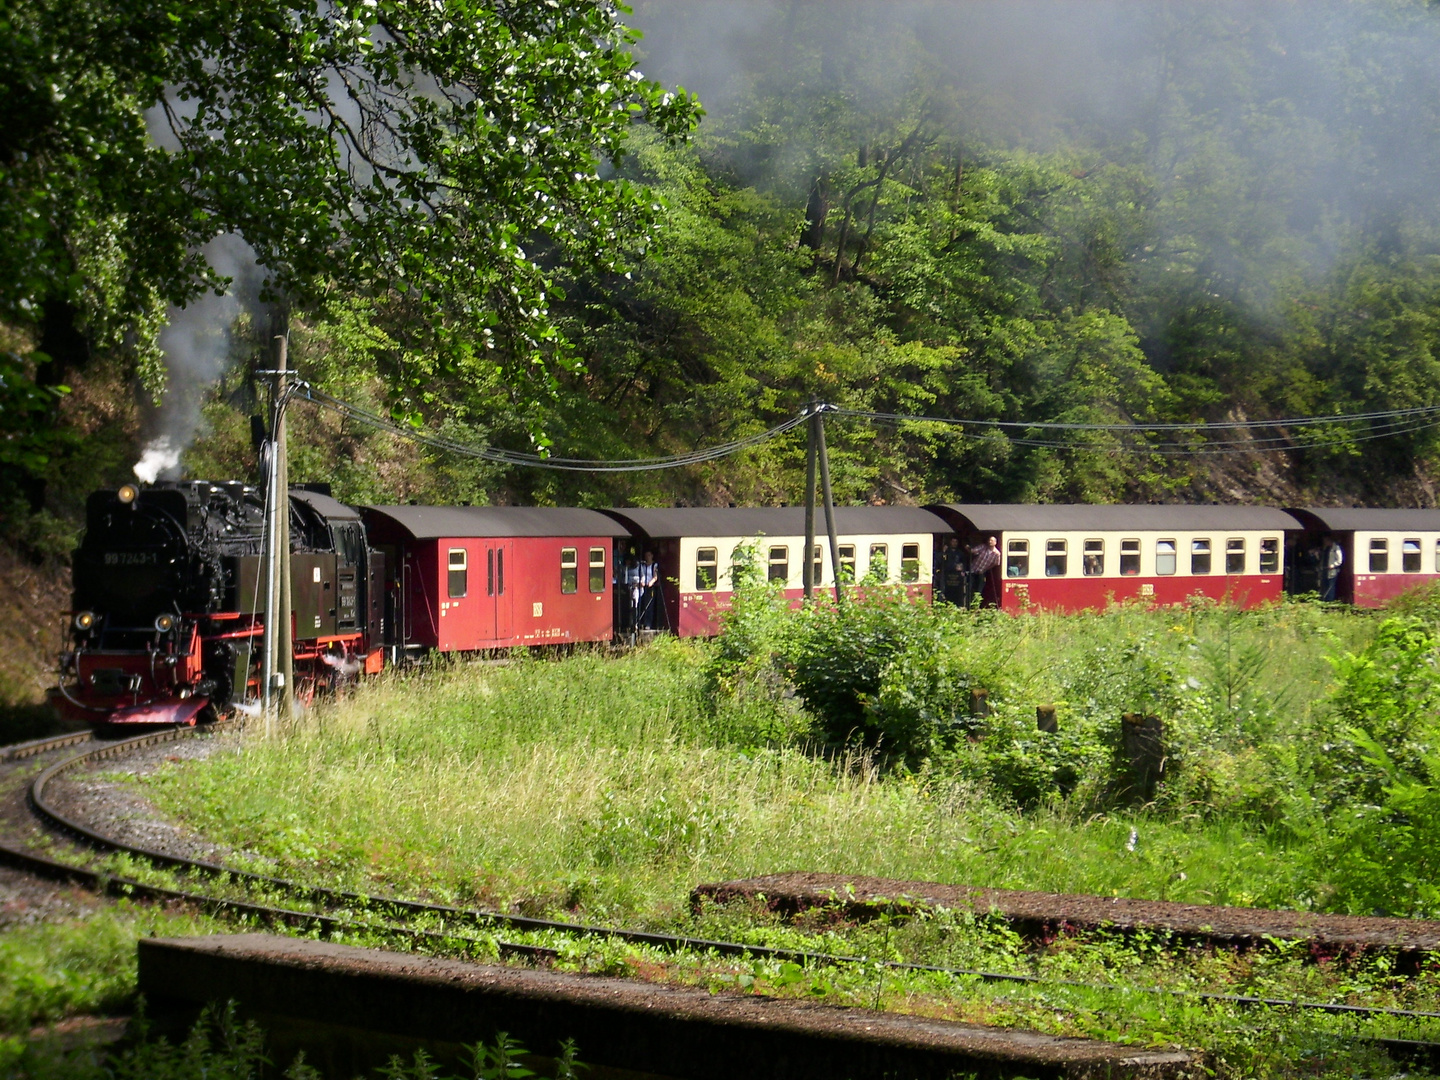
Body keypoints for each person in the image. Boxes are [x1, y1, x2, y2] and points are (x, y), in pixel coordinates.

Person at [969, 535, 1002, 608]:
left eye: (992, 541)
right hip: (972, 569)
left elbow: (996, 564)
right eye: (989, 540)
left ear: (995, 543)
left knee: (979, 589)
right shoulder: (983, 547)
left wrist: (985, 569)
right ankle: (969, 604)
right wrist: (967, 547)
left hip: (981, 572)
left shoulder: (997, 554)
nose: (990, 542)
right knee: (970, 587)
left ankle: (976, 605)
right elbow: (972, 551)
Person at [637, 550, 660, 629]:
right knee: (642, 604)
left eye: (649, 555)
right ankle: (641, 622)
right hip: (643, 586)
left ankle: (648, 623)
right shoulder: (643, 565)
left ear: (652, 556)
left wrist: (651, 582)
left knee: (649, 605)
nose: (647, 557)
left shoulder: (654, 565)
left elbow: (655, 576)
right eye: (646, 555)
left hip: (651, 587)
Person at [1321, 535, 1343, 602]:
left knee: (1331, 586)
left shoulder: (1336, 548)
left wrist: (1333, 565)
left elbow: (1340, 560)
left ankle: (1330, 600)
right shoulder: (1326, 548)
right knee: (1325, 584)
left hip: (1332, 570)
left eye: (1325, 541)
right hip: (1325, 570)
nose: (1324, 543)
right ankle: (1325, 598)